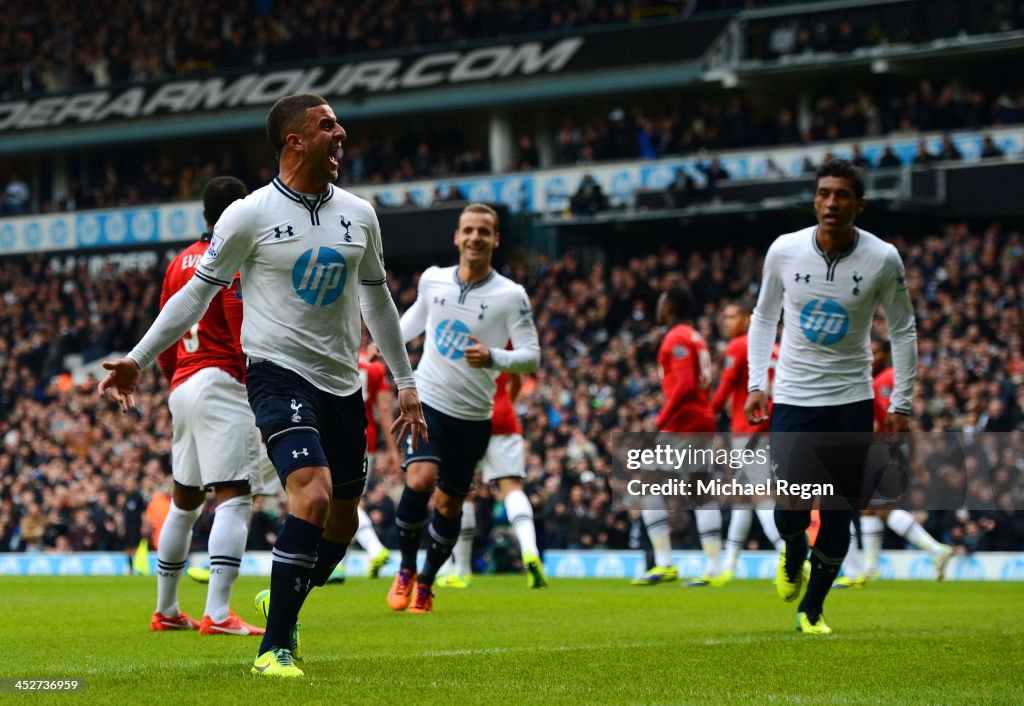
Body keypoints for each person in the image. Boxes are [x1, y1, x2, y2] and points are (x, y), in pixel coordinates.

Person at [98, 93, 428, 678]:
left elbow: (375, 297)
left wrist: (404, 381)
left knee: (343, 522)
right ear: (294, 140)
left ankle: (287, 594)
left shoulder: (360, 212)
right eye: (327, 125)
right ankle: (274, 648)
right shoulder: (249, 214)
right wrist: (140, 358)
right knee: (313, 492)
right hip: (276, 371)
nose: (341, 132)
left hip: (342, 381)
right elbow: (196, 294)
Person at [745, 158, 917, 634]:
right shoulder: (784, 250)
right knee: (791, 510)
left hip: (851, 399)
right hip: (795, 396)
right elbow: (763, 318)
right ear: (815, 199)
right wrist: (757, 382)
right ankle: (794, 550)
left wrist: (901, 402)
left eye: (842, 195)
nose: (831, 203)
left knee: (840, 513)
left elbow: (903, 330)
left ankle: (812, 609)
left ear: (859, 204)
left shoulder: (883, 258)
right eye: (824, 193)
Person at [388, 202, 541, 614]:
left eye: (483, 231)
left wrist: (494, 357)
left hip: (474, 417)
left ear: (495, 240)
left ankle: (428, 580)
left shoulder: (511, 296)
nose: (475, 237)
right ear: (457, 237)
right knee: (420, 479)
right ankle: (405, 569)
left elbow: (531, 357)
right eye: (468, 230)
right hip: (428, 401)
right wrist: (382, 346)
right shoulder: (433, 281)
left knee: (450, 504)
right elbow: (414, 321)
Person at [149, 175, 265, 637]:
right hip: (222, 379)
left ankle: (168, 609)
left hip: (183, 382)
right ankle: (218, 614)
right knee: (235, 497)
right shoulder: (234, 257)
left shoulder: (178, 262)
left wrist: (172, 381)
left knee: (185, 501)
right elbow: (241, 331)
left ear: (203, 214)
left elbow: (165, 330)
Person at [835, 338, 952, 587]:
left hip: (880, 450)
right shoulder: (882, 378)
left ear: (885, 355)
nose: (871, 357)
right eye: (868, 352)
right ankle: (871, 569)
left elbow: (888, 420)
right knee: (868, 509)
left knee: (882, 509)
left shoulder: (884, 380)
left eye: (875, 352)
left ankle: (935, 550)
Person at [632, 285, 717, 586]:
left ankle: (668, 563)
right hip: (698, 420)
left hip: (683, 424)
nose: (657, 308)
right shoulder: (694, 336)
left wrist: (659, 422)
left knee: (647, 484)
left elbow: (683, 386)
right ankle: (709, 567)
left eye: (660, 303)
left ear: (669, 307)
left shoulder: (677, 337)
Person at [436, 371, 548, 589]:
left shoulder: (458, 340)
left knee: (462, 494)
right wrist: (506, 405)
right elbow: (516, 378)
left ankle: (462, 571)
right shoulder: (504, 339)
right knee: (512, 489)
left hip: (469, 419)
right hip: (504, 418)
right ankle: (530, 551)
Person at [708, 300, 783, 585]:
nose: (726, 322)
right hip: (772, 428)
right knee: (741, 498)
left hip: (750, 430)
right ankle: (729, 565)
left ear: (747, 320)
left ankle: (788, 552)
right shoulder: (773, 348)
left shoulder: (740, 345)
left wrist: (707, 415)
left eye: (732, 316)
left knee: (759, 494)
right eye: (724, 317)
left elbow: (725, 388)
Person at [327, 343, 399, 583]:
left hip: (331, 433)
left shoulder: (328, 355)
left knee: (336, 503)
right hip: (363, 438)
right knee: (347, 501)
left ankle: (374, 549)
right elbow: (386, 409)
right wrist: (391, 451)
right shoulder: (375, 369)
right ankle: (336, 566)